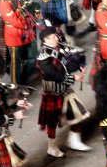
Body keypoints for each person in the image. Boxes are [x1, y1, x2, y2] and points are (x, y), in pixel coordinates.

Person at [37, 26, 91, 158]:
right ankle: (52, 147)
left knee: (78, 113)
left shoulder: (58, 47)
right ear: (46, 39)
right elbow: (55, 75)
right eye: (54, 36)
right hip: (53, 92)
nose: (57, 38)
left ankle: (74, 141)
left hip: (65, 89)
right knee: (52, 122)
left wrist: (80, 65)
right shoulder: (43, 57)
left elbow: (70, 59)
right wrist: (75, 78)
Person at [0, 0, 36, 84]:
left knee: (27, 57)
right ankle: (15, 84)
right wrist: (26, 25)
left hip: (22, 34)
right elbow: (13, 20)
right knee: (16, 63)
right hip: (14, 36)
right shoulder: (4, 2)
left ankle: (22, 78)